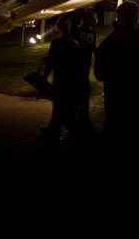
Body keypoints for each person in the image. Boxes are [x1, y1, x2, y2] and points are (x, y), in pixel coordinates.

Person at [94, 0, 139, 193]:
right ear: (138, 18)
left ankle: (113, 184)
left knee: (115, 143)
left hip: (115, 101)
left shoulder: (107, 43)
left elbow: (99, 74)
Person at [39, 17, 83, 147]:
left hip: (60, 80)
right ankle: (55, 133)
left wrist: (44, 76)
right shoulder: (74, 43)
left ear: (58, 29)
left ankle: (69, 134)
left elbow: (51, 62)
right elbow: (77, 64)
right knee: (64, 107)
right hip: (71, 80)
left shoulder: (56, 43)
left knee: (61, 108)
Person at [71, 9, 98, 135]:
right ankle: (79, 118)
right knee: (81, 90)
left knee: (85, 90)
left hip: (85, 66)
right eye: (93, 18)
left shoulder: (92, 32)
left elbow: (93, 47)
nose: (95, 20)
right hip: (76, 66)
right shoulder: (76, 31)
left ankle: (83, 115)